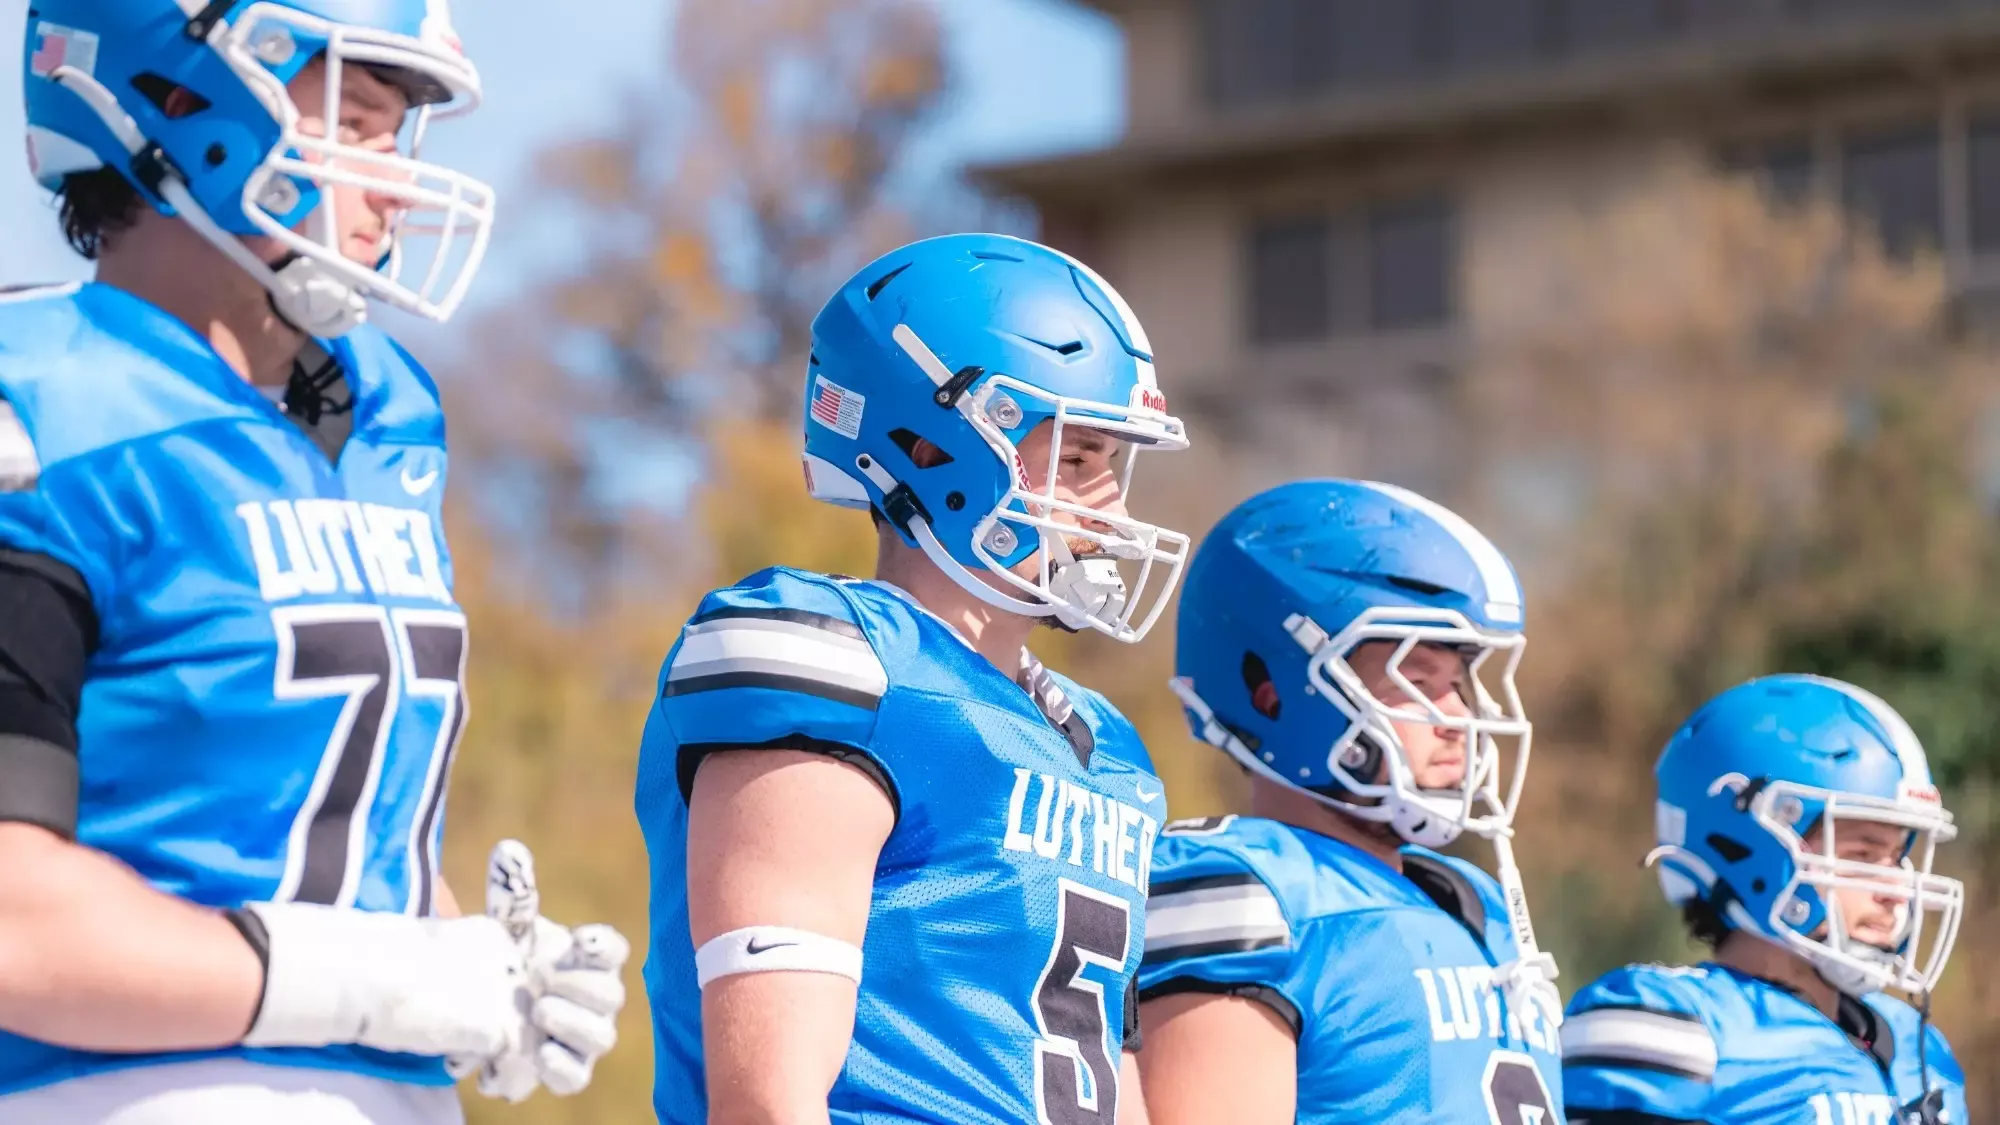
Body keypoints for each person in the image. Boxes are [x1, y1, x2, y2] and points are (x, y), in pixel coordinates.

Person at [0, 3, 625, 1121]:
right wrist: (368, 980)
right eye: (357, 124)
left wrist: (468, 961)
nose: (396, 184)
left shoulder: (385, 416)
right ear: (178, 99)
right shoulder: (49, 412)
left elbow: (304, 827)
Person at [635, 232, 1190, 1125]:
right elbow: (769, 1102)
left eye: (1113, 467)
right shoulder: (839, 666)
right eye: (1078, 461)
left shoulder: (1108, 752)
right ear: (931, 448)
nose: (1112, 510)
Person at [1138, 478, 1565, 1125]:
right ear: (1271, 694)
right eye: (1416, 681)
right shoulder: (1245, 892)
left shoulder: (1477, 902)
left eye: (1456, 683)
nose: (1456, 717)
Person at [1563, 674, 1968, 1125]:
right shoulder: (1676, 1028)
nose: (1895, 890)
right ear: (1750, 849)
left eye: (1896, 858)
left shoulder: (1920, 1049)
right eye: (1862, 856)